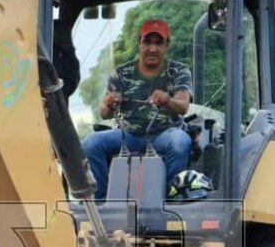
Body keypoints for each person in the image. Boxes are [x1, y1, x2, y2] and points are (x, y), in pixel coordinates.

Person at [82, 19, 194, 198]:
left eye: (158, 43)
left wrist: (167, 100)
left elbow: (183, 106)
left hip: (165, 133)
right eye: (147, 42)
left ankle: (170, 199)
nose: (152, 48)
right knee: (90, 143)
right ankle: (101, 200)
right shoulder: (121, 73)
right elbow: (104, 114)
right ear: (139, 43)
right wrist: (109, 103)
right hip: (128, 135)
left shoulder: (179, 71)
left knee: (180, 142)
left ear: (167, 45)